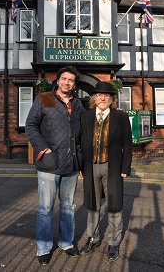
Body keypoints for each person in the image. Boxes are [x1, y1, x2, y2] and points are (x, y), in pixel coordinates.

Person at [25, 66, 85, 265]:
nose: (67, 82)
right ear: (58, 80)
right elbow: (31, 126)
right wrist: (44, 149)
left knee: (68, 206)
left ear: (74, 84)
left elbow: (85, 128)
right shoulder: (44, 99)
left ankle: (66, 242)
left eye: (71, 80)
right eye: (64, 79)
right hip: (49, 164)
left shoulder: (77, 104)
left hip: (71, 165)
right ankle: (43, 247)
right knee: (45, 208)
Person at [79, 81, 132, 261]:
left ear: (111, 99)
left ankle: (113, 242)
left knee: (114, 205)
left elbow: (127, 144)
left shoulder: (121, 116)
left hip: (113, 166)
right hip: (90, 166)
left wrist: (125, 167)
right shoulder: (86, 116)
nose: (103, 98)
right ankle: (92, 238)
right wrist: (81, 167)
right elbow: (81, 143)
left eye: (107, 95)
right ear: (94, 98)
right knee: (92, 205)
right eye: (100, 95)